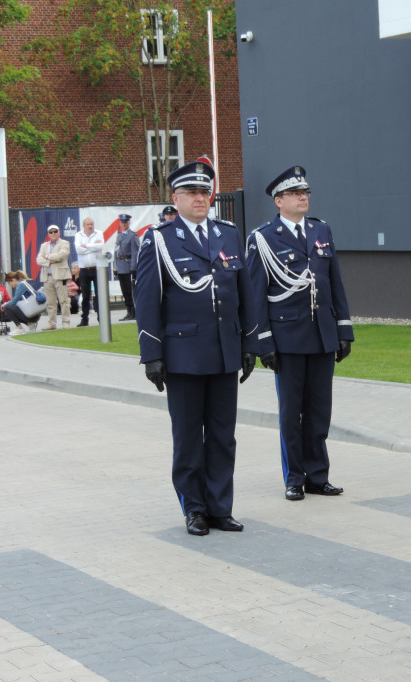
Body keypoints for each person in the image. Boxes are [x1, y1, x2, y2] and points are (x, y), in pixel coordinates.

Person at [134, 160, 257, 537]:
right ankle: (195, 509)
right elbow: (147, 300)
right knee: (188, 437)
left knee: (222, 435)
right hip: (184, 354)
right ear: (176, 198)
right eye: (192, 193)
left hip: (223, 351)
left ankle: (221, 507)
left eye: (205, 193)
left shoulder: (229, 234)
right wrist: (152, 354)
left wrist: (249, 342)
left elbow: (244, 293)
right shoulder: (160, 239)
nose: (201, 199)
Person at [246, 165, 354, 501]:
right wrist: (262, 340)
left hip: (321, 335)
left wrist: (343, 329)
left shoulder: (322, 231)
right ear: (279, 201)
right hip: (287, 339)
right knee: (292, 413)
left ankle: (317, 476)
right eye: (295, 193)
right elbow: (255, 296)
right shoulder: (263, 239)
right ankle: (294, 477)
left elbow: (334, 282)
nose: (303, 197)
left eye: (305, 192)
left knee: (320, 410)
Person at [36, 224, 71, 330]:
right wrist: (51, 261)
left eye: (55, 231)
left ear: (59, 232)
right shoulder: (44, 246)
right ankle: (52, 323)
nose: (53, 233)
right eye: (51, 232)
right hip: (47, 276)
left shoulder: (64, 243)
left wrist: (46, 257)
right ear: (48, 234)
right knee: (51, 302)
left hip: (60, 276)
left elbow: (62, 255)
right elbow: (38, 260)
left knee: (63, 300)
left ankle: (66, 322)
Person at [74, 217, 104, 326]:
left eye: (91, 224)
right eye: (88, 224)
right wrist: (93, 247)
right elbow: (78, 250)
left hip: (97, 269)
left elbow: (100, 246)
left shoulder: (98, 233)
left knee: (100, 294)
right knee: (85, 296)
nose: (90, 226)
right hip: (84, 269)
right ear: (84, 225)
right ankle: (84, 319)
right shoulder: (78, 235)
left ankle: (102, 318)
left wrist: (86, 245)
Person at [113, 214, 140, 321]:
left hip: (128, 265)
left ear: (129, 223)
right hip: (120, 266)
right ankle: (128, 311)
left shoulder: (133, 235)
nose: (123, 224)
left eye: (125, 222)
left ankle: (133, 311)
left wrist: (133, 267)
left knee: (130, 290)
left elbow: (135, 252)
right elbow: (116, 252)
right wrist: (115, 267)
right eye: (122, 222)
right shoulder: (119, 235)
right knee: (124, 290)